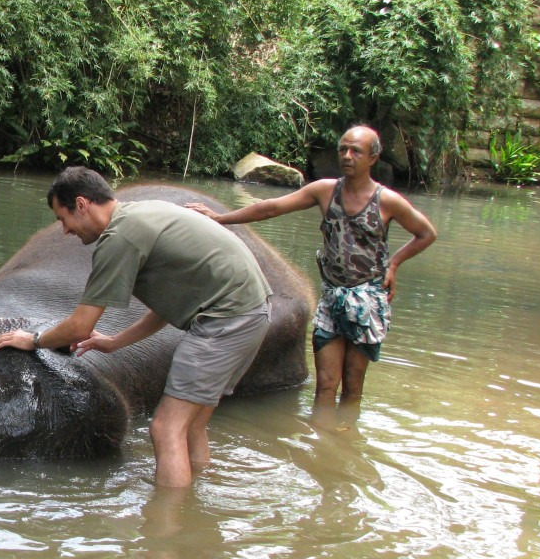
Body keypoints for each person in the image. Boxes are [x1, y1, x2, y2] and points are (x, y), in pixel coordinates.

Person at [0, 166, 273, 488]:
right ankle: (196, 513)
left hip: (226, 320)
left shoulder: (119, 238)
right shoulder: (142, 215)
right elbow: (169, 305)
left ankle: (167, 528)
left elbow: (81, 326)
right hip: (253, 313)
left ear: (82, 204)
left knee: (166, 429)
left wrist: (34, 340)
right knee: (191, 426)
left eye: (62, 218)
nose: (65, 231)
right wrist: (114, 342)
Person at [187, 125, 436, 428]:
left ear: (373, 157)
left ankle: (345, 443)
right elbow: (272, 208)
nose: (347, 156)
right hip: (332, 297)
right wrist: (220, 218)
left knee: (353, 386)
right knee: (326, 384)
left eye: (355, 151)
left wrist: (394, 264)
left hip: (367, 298)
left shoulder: (387, 201)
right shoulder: (326, 190)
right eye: (343, 148)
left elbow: (426, 234)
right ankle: (321, 447)